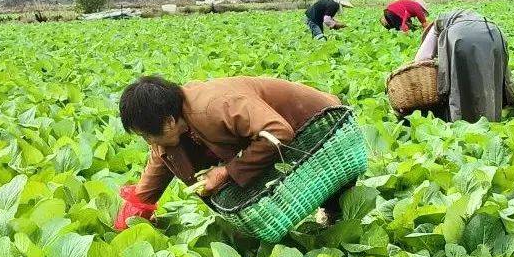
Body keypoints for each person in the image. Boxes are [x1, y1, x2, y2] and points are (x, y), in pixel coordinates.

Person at [114, 75, 347, 228]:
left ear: (169, 121)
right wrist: (127, 226)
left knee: (335, 209)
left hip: (321, 124)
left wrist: (226, 171)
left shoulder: (214, 106)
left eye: (147, 135)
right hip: (283, 136)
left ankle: (333, 213)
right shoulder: (169, 132)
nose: (148, 142)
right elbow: (148, 188)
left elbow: (277, 132)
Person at [414, 9, 514, 123]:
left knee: (458, 85)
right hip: (494, 32)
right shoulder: (466, 16)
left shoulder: (435, 27)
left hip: (460, 35)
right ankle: (491, 122)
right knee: (491, 79)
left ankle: (460, 123)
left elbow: (421, 59)